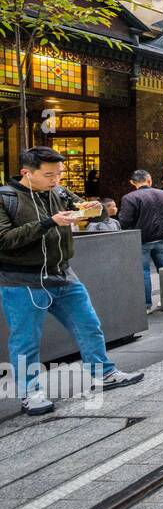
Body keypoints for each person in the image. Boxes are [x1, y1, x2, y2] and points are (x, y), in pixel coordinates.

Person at [0, 147, 144, 415]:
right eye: (48, 175)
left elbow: (96, 215)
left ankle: (104, 373)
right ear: (26, 173)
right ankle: (30, 393)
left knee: (88, 324)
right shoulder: (6, 198)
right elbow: (4, 239)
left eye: (59, 174)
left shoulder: (59, 193)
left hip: (63, 273)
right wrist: (49, 222)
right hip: (22, 280)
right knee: (26, 339)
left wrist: (95, 208)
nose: (55, 180)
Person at [118, 170, 163, 314]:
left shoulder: (129, 198)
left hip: (142, 238)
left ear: (132, 182)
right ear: (150, 180)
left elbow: (125, 220)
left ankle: (146, 305)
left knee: (143, 271)